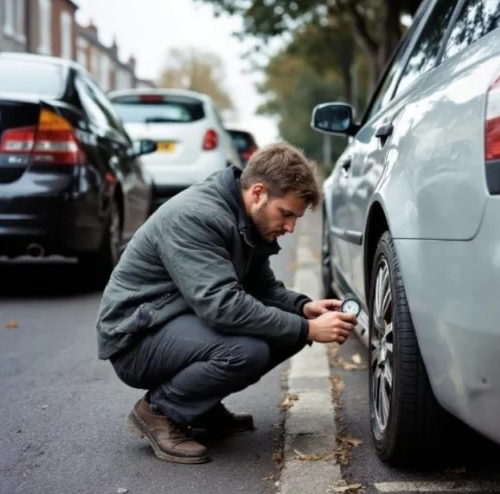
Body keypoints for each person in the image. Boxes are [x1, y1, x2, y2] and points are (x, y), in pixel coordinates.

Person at [96, 142, 358, 464]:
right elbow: (222, 307)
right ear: (258, 192)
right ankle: (158, 412)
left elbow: (262, 289)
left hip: (174, 320)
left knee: (288, 330)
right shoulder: (197, 216)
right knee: (249, 350)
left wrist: (304, 309)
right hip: (136, 339)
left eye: (296, 218)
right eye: (286, 214)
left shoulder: (247, 217)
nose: (290, 227)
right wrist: (306, 328)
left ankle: (199, 407)